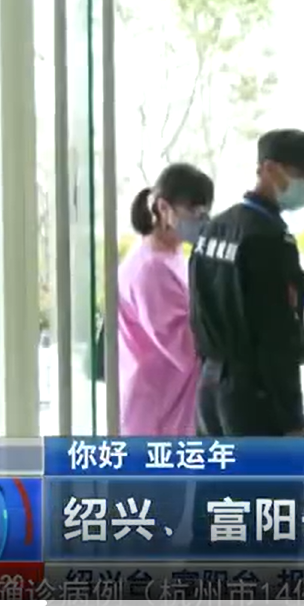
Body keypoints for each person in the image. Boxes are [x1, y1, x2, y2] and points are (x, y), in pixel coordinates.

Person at [189, 129, 304, 437]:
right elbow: (276, 337)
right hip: (255, 396)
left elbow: (197, 312)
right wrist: (293, 419)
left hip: (210, 387)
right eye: (303, 174)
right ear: (269, 169)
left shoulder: (214, 228)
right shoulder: (270, 239)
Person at [117, 163, 214, 436]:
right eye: (194, 212)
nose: (202, 221)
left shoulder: (171, 256)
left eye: (206, 212)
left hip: (173, 410)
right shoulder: (150, 270)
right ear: (163, 208)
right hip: (158, 418)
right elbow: (188, 347)